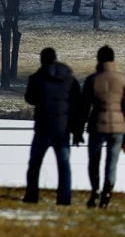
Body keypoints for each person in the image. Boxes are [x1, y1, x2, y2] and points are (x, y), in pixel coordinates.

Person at [23, 48, 83, 205]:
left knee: (35, 163)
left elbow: (30, 98)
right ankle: (64, 198)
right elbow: (77, 103)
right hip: (62, 127)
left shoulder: (37, 77)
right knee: (64, 164)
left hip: (43, 126)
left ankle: (32, 195)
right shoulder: (69, 78)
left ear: (42, 60)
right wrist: (77, 130)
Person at [80, 45, 125, 209]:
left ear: (98, 59)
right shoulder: (122, 80)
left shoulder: (92, 79)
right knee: (112, 163)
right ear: (113, 60)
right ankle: (107, 195)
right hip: (118, 128)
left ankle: (95, 191)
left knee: (94, 161)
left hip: (97, 125)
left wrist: (79, 127)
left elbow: (84, 107)